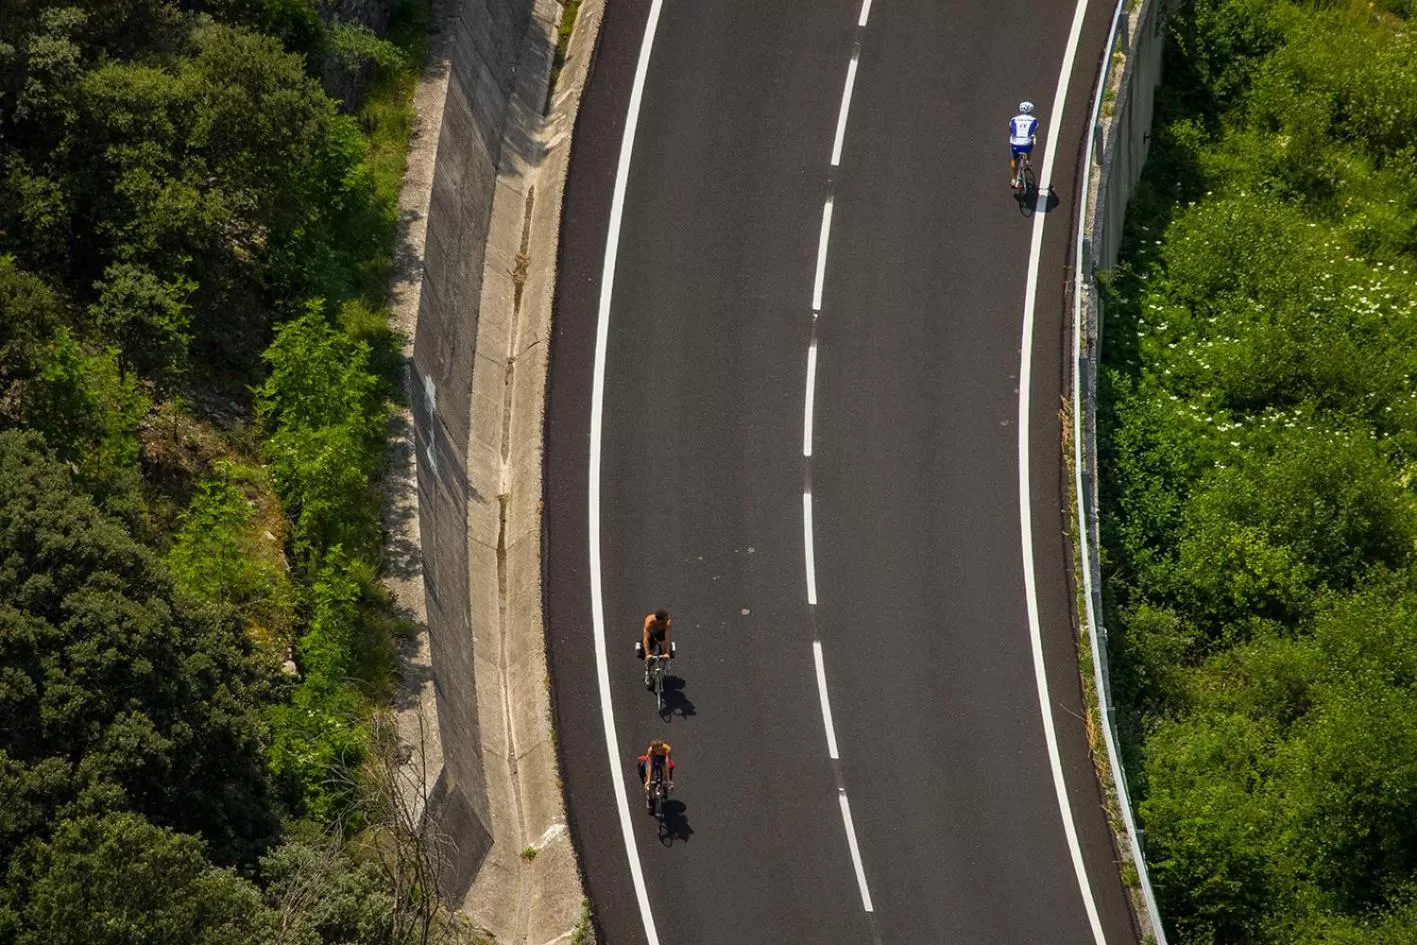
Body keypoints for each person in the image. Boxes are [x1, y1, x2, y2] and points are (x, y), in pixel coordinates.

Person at [1009, 101, 1039, 189]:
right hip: (1026, 144)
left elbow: (1011, 130)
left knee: (1014, 160)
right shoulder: (1034, 120)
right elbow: (1035, 131)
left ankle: (1014, 179)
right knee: (1031, 141)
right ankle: (1028, 160)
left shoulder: (1013, 119)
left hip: (1015, 144)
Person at [641, 609, 673, 688]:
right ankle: (648, 672)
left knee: (664, 650)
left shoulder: (667, 622)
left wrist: (667, 652)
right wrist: (648, 654)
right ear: (659, 620)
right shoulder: (649, 621)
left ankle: (664, 665)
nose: (668, 619)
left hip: (661, 634)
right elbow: (646, 638)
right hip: (651, 634)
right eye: (665, 618)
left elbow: (667, 638)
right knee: (649, 654)